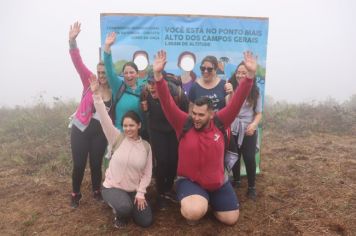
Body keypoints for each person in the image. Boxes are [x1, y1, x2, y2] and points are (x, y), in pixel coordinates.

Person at [152, 50, 256, 225]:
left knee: (231, 219)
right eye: (194, 113)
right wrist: (158, 76)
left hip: (217, 182)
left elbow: (237, 101)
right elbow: (167, 103)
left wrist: (250, 76)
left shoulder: (220, 121)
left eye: (201, 115)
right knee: (193, 213)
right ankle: (197, 201)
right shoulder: (183, 123)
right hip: (190, 181)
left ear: (211, 114)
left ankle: (207, 200)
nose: (196, 118)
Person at [89, 74, 153, 229]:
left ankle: (127, 203)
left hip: (133, 191)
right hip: (112, 187)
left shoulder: (146, 146)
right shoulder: (116, 137)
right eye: (125, 125)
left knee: (146, 221)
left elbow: (147, 173)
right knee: (125, 209)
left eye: (131, 125)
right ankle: (119, 211)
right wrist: (96, 95)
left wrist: (140, 192)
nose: (128, 129)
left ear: (139, 126)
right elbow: (104, 119)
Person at [68, 22, 112, 208]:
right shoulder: (89, 80)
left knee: (95, 163)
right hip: (80, 129)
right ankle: (75, 194)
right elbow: (78, 63)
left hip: (99, 133)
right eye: (99, 72)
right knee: (79, 164)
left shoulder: (114, 90)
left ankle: (96, 190)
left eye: (104, 72)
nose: (101, 75)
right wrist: (72, 41)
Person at [140, 75, 188, 210]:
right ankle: (160, 194)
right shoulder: (145, 94)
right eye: (149, 82)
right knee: (161, 162)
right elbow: (145, 113)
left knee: (173, 161)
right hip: (156, 131)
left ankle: (168, 189)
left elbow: (185, 115)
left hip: (174, 131)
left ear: (163, 84)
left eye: (154, 83)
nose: (151, 86)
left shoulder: (177, 94)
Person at [228, 62, 262, 200]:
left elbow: (259, 113)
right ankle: (236, 181)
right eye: (238, 72)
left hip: (248, 128)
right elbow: (227, 107)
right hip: (233, 127)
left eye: (244, 72)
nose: (240, 75)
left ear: (250, 74)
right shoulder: (231, 87)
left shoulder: (255, 91)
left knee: (248, 157)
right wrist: (230, 93)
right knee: (234, 155)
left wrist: (253, 125)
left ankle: (251, 187)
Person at [103, 32, 146, 135]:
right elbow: (109, 71)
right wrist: (107, 47)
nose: (128, 75)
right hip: (120, 136)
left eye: (131, 72)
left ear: (137, 74)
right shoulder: (118, 87)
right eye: (125, 73)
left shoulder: (144, 91)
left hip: (138, 138)